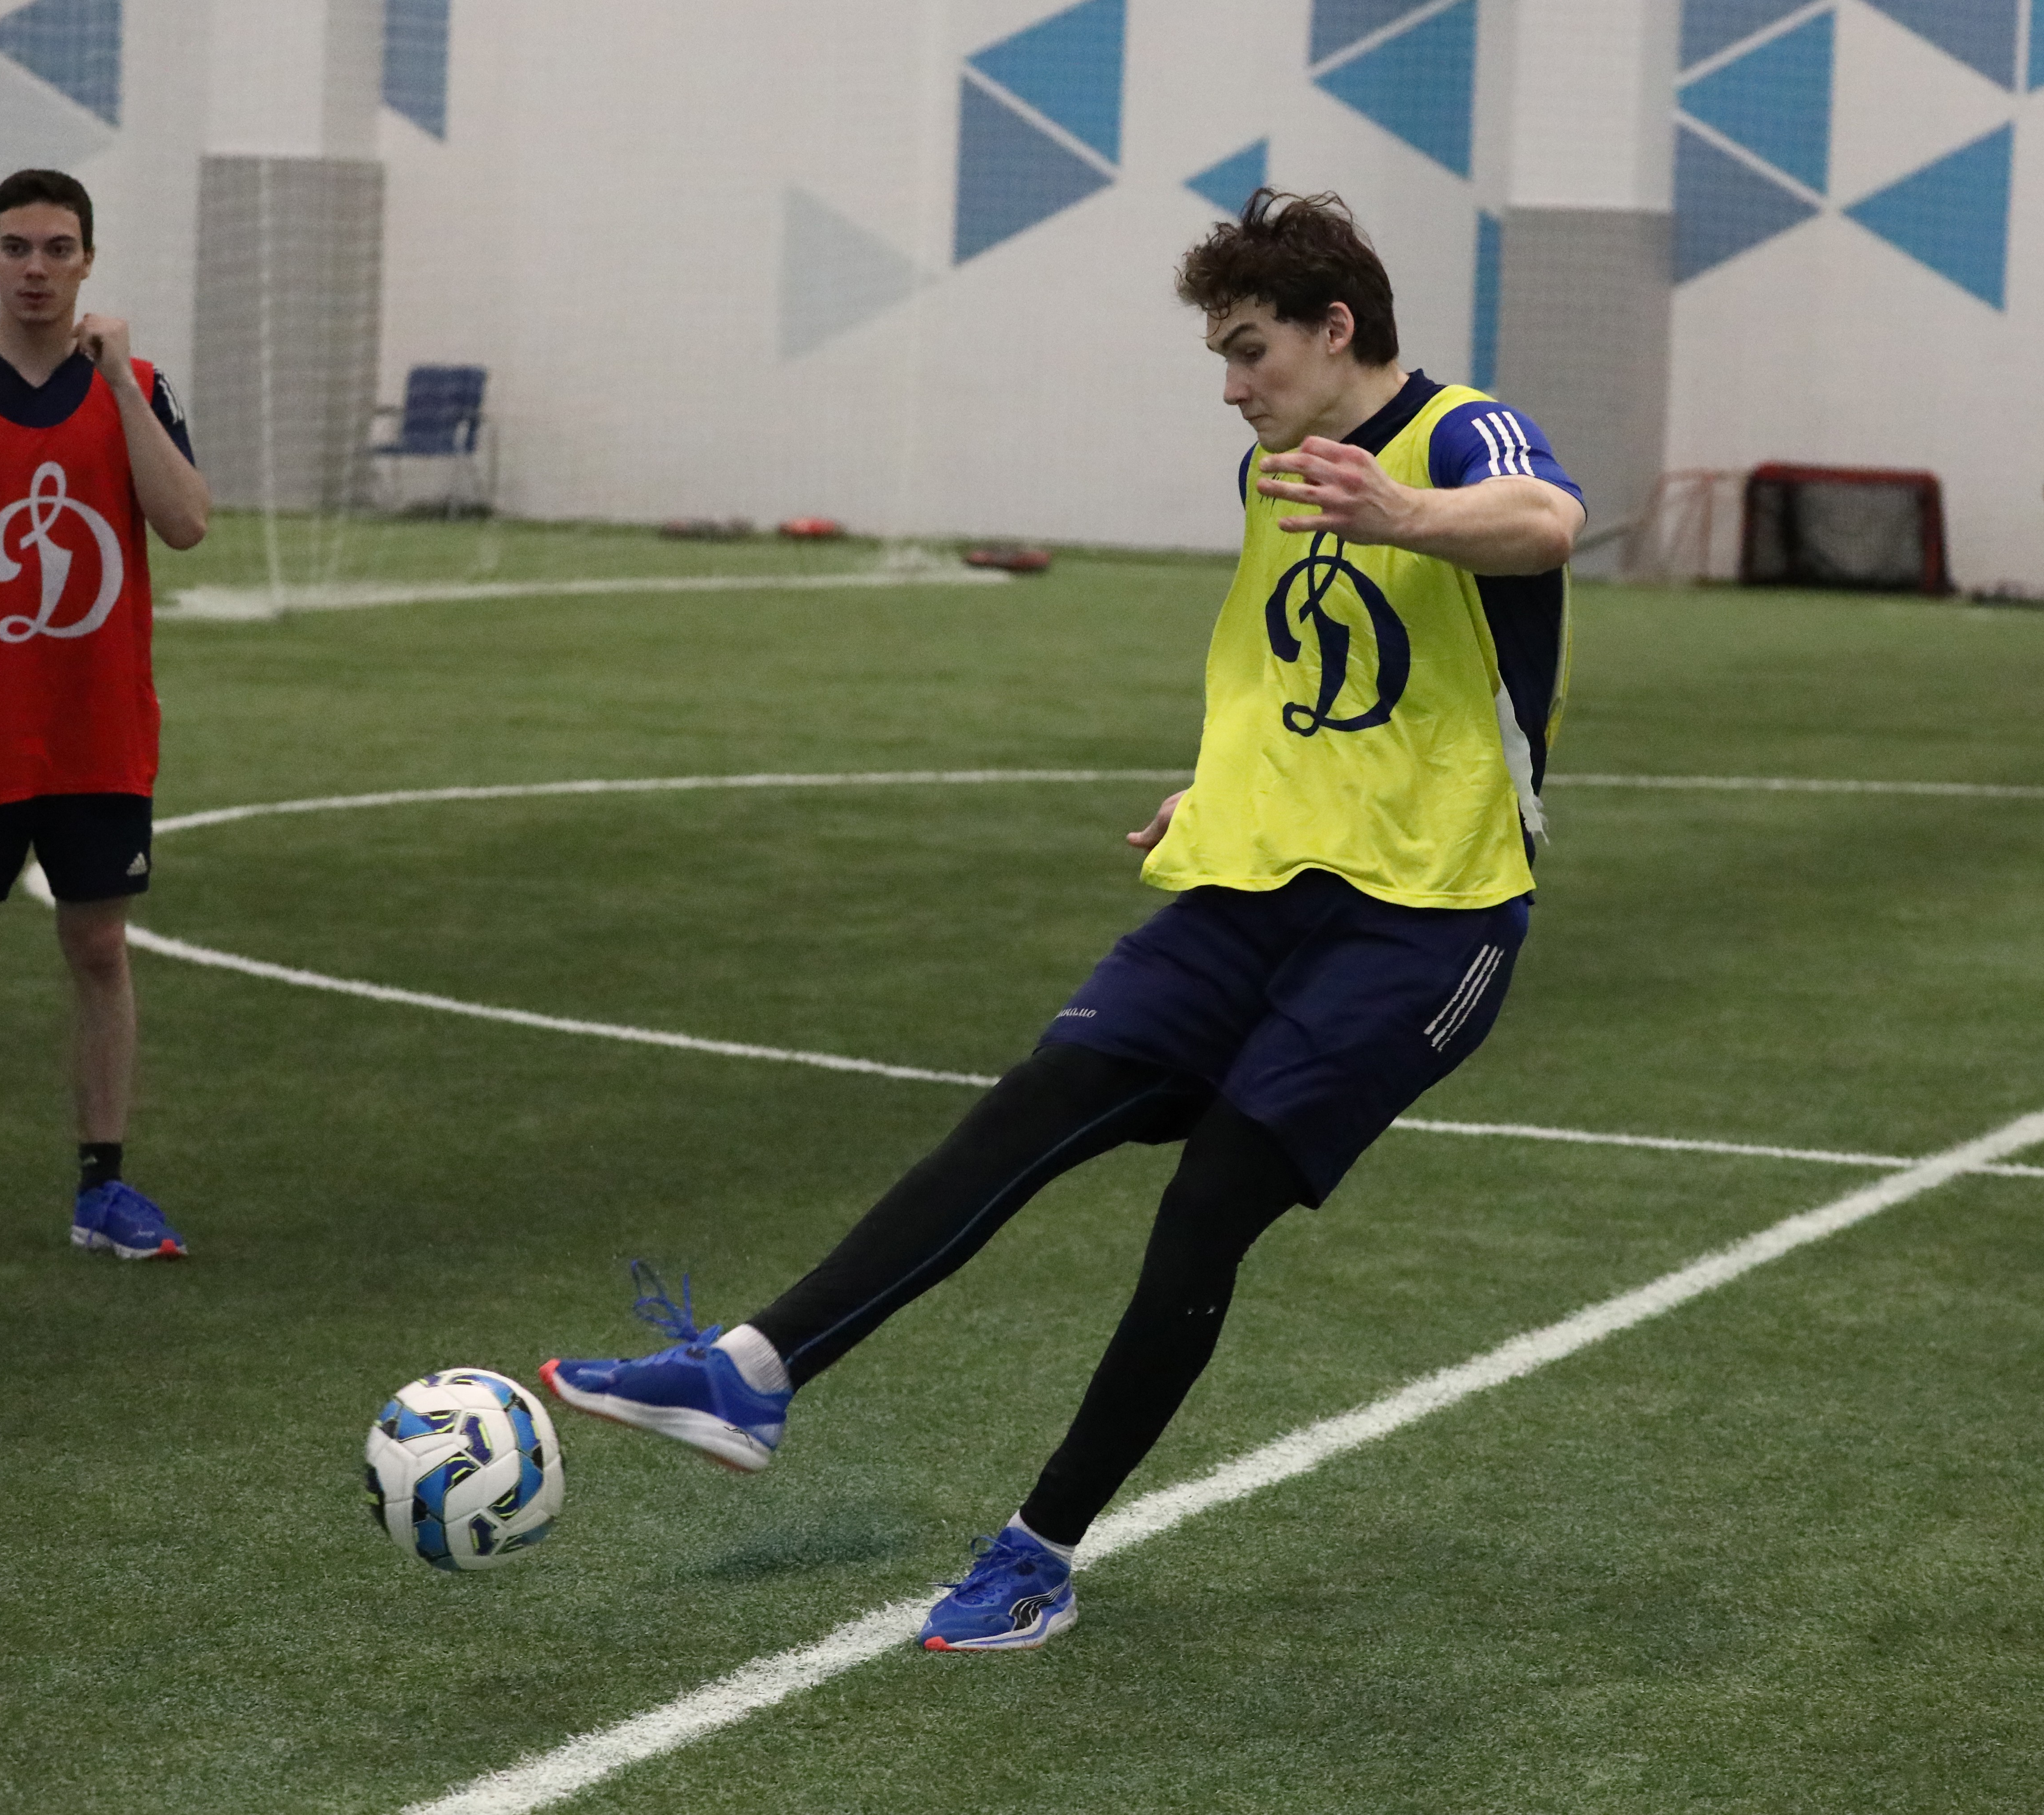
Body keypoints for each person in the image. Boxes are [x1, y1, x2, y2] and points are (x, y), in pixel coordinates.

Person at [543, 190, 1583, 1651]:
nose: (1231, 388)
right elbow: (1318, 680)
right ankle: (751, 1376)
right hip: (1257, 880)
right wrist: (1221, 787)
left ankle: (1038, 1552)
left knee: (1208, 1206)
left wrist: (1404, 510)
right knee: (1041, 1100)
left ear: (1335, 328)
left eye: (1249, 350)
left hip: (1428, 919)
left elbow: (1547, 523)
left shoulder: (1465, 435)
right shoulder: (1272, 470)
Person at [0, 168, 208, 1257]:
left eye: (59, 249)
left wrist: (120, 390)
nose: (37, 269)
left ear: (88, 261)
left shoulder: (137, 386)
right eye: (17, 247)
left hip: (95, 728)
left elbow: (187, 523)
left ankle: (104, 1187)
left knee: (100, 945)